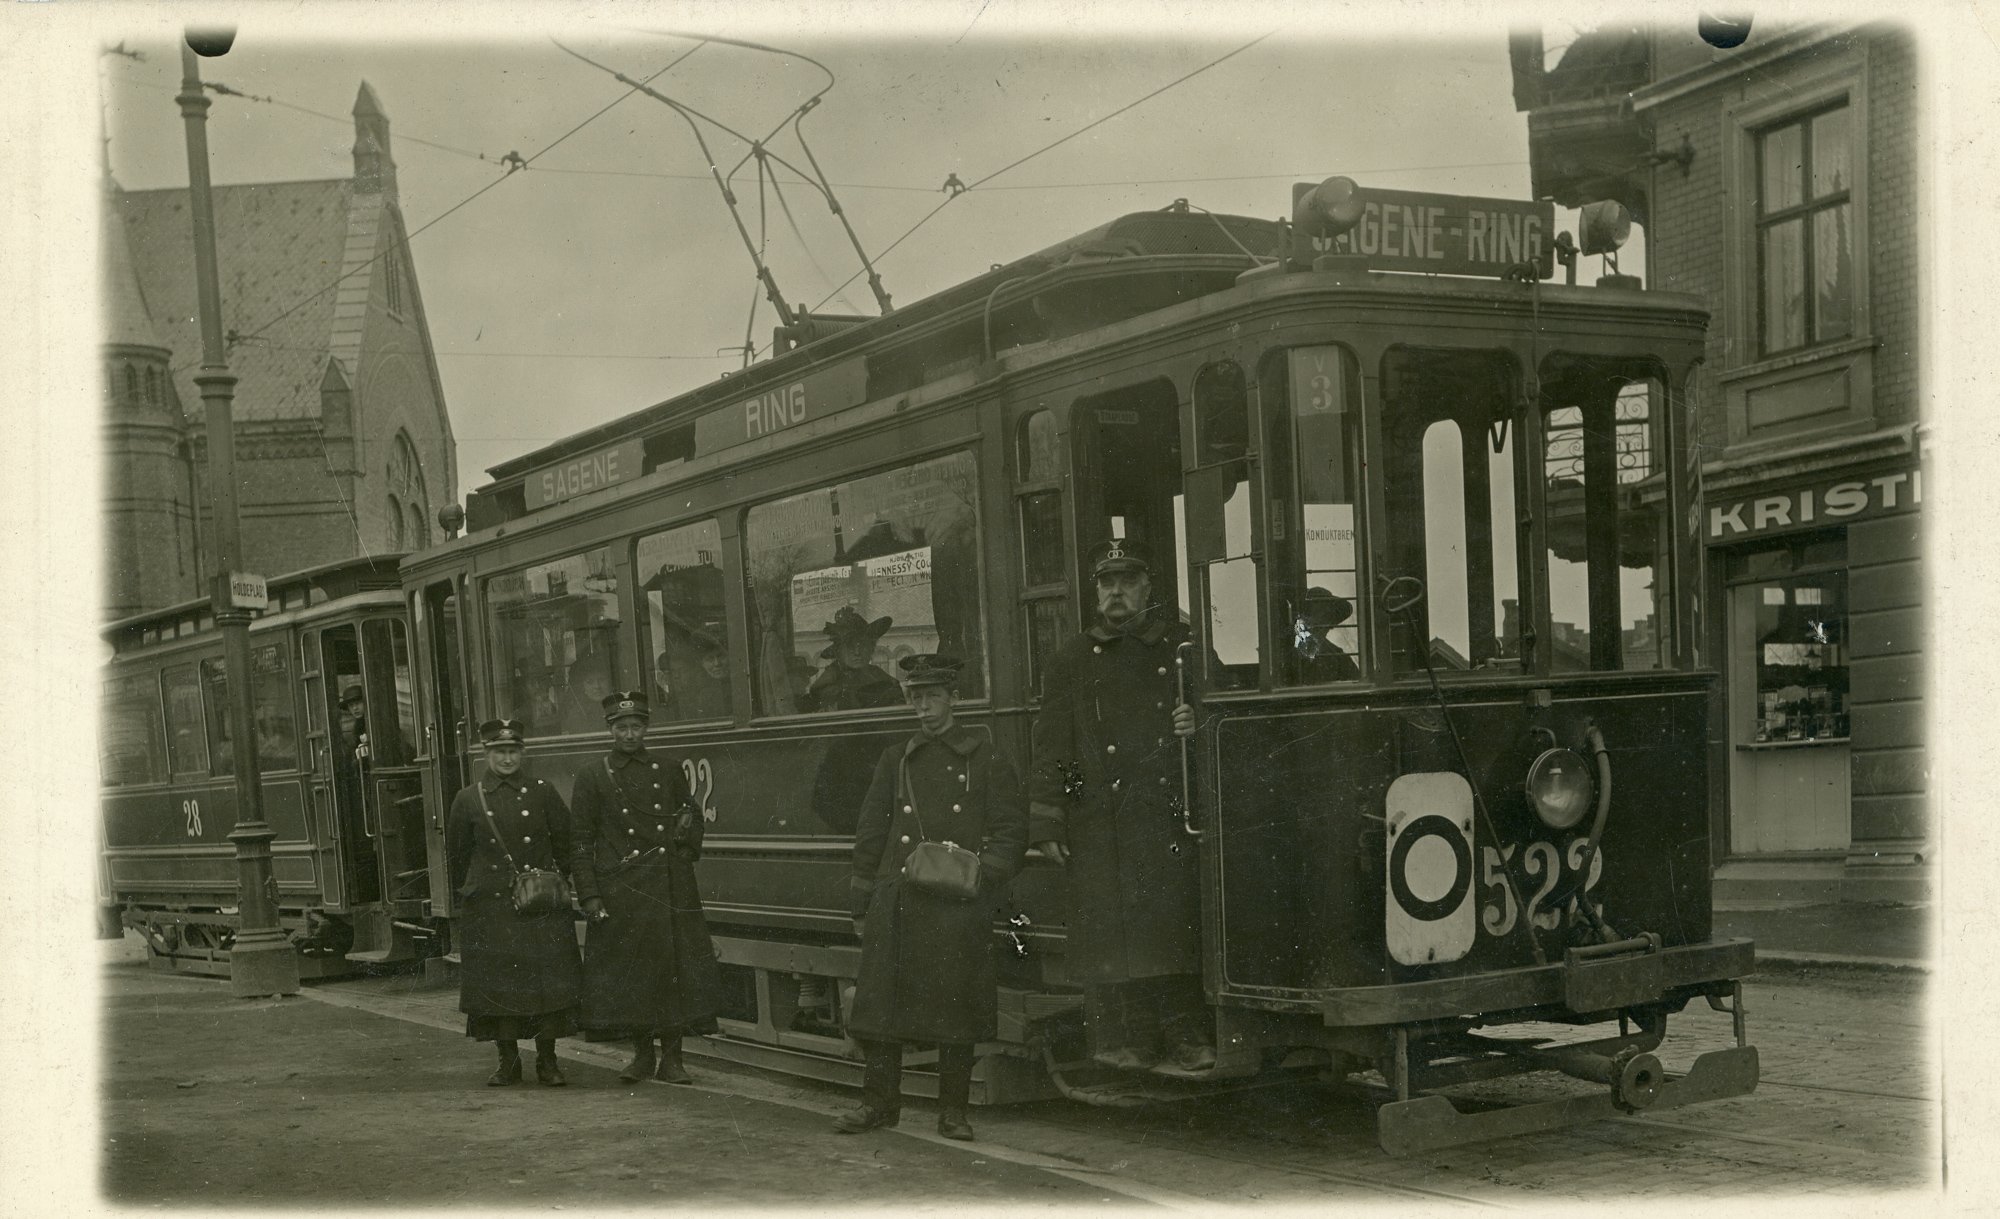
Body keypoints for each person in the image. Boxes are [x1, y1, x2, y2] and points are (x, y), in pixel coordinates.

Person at [1028, 538, 1215, 1073]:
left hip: (1166, 812)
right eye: (1107, 584)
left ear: (1147, 588)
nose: (1116, 593)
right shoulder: (1070, 658)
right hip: (1099, 818)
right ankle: (1124, 1039)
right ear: (1097, 591)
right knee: (1112, 932)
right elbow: (1052, 745)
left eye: (1127, 582)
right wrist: (1048, 818)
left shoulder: (1182, 646)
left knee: (1173, 925)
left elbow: (1221, 712)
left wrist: (1195, 723)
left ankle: (1185, 1034)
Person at [833, 655, 1028, 1141]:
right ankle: (878, 1106)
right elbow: (871, 828)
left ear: (954, 699)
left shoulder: (985, 757)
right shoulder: (896, 758)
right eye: (916, 698)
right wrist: (864, 894)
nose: (923, 707)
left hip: (958, 901)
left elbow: (1009, 829)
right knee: (881, 1009)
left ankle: (953, 1112)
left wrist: (986, 878)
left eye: (933, 697)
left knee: (954, 1010)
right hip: (898, 896)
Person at [571, 691, 724, 1086]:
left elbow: (690, 812)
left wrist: (687, 839)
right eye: (621, 727)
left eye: (636, 726)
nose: (629, 734)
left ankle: (673, 1059)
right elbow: (581, 841)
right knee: (633, 975)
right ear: (610, 729)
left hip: (669, 886)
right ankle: (641, 1056)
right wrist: (590, 895)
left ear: (645, 728)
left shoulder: (668, 768)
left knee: (673, 973)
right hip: (623, 889)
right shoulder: (592, 776)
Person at [444, 718, 582, 1087]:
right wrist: (475, 892)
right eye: (499, 751)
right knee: (498, 988)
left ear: (522, 753)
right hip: (491, 908)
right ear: (487, 754)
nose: (507, 758)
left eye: (513, 751)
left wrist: (568, 885)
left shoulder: (542, 792)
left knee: (544, 985)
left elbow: (566, 842)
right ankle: (507, 1061)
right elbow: (457, 855)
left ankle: (548, 1061)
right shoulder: (469, 798)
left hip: (538, 904)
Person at [800, 607, 900, 712]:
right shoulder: (828, 683)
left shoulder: (881, 677)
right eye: (850, 646)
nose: (857, 652)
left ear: (871, 648)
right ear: (839, 652)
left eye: (863, 645)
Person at [1293, 586, 1361, 682]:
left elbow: (1356, 682)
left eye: (1325, 617)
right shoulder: (1291, 651)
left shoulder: (1337, 656)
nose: (1314, 625)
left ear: (1331, 624)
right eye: (1310, 615)